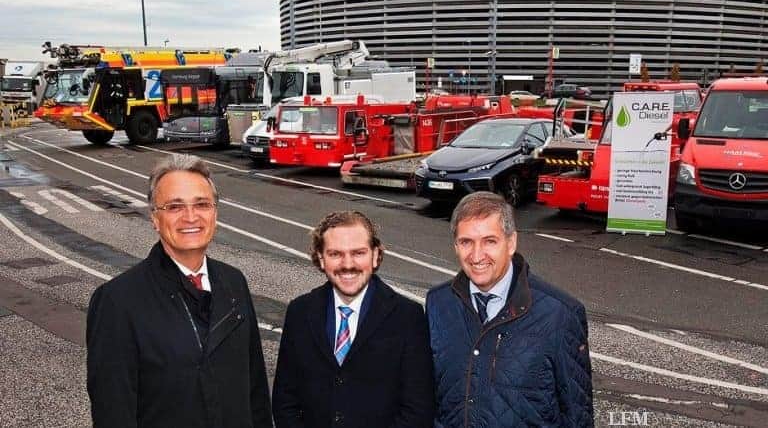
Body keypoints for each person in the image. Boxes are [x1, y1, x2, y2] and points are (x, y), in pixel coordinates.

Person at [86, 154, 273, 428]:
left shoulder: (234, 283)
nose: (190, 217)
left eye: (202, 204)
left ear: (215, 213)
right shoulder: (117, 301)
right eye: (174, 207)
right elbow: (113, 412)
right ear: (155, 218)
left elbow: (255, 389)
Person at [426, 192, 593, 427]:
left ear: (511, 242)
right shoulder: (438, 303)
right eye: (466, 242)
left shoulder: (560, 314)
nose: (476, 255)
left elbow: (577, 415)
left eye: (489, 241)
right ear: (455, 246)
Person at [272, 211, 434, 428]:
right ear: (321, 258)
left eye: (358, 253)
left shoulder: (407, 316)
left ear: (375, 255)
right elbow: (285, 400)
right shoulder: (300, 312)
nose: (347, 264)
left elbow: (418, 409)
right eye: (335, 254)